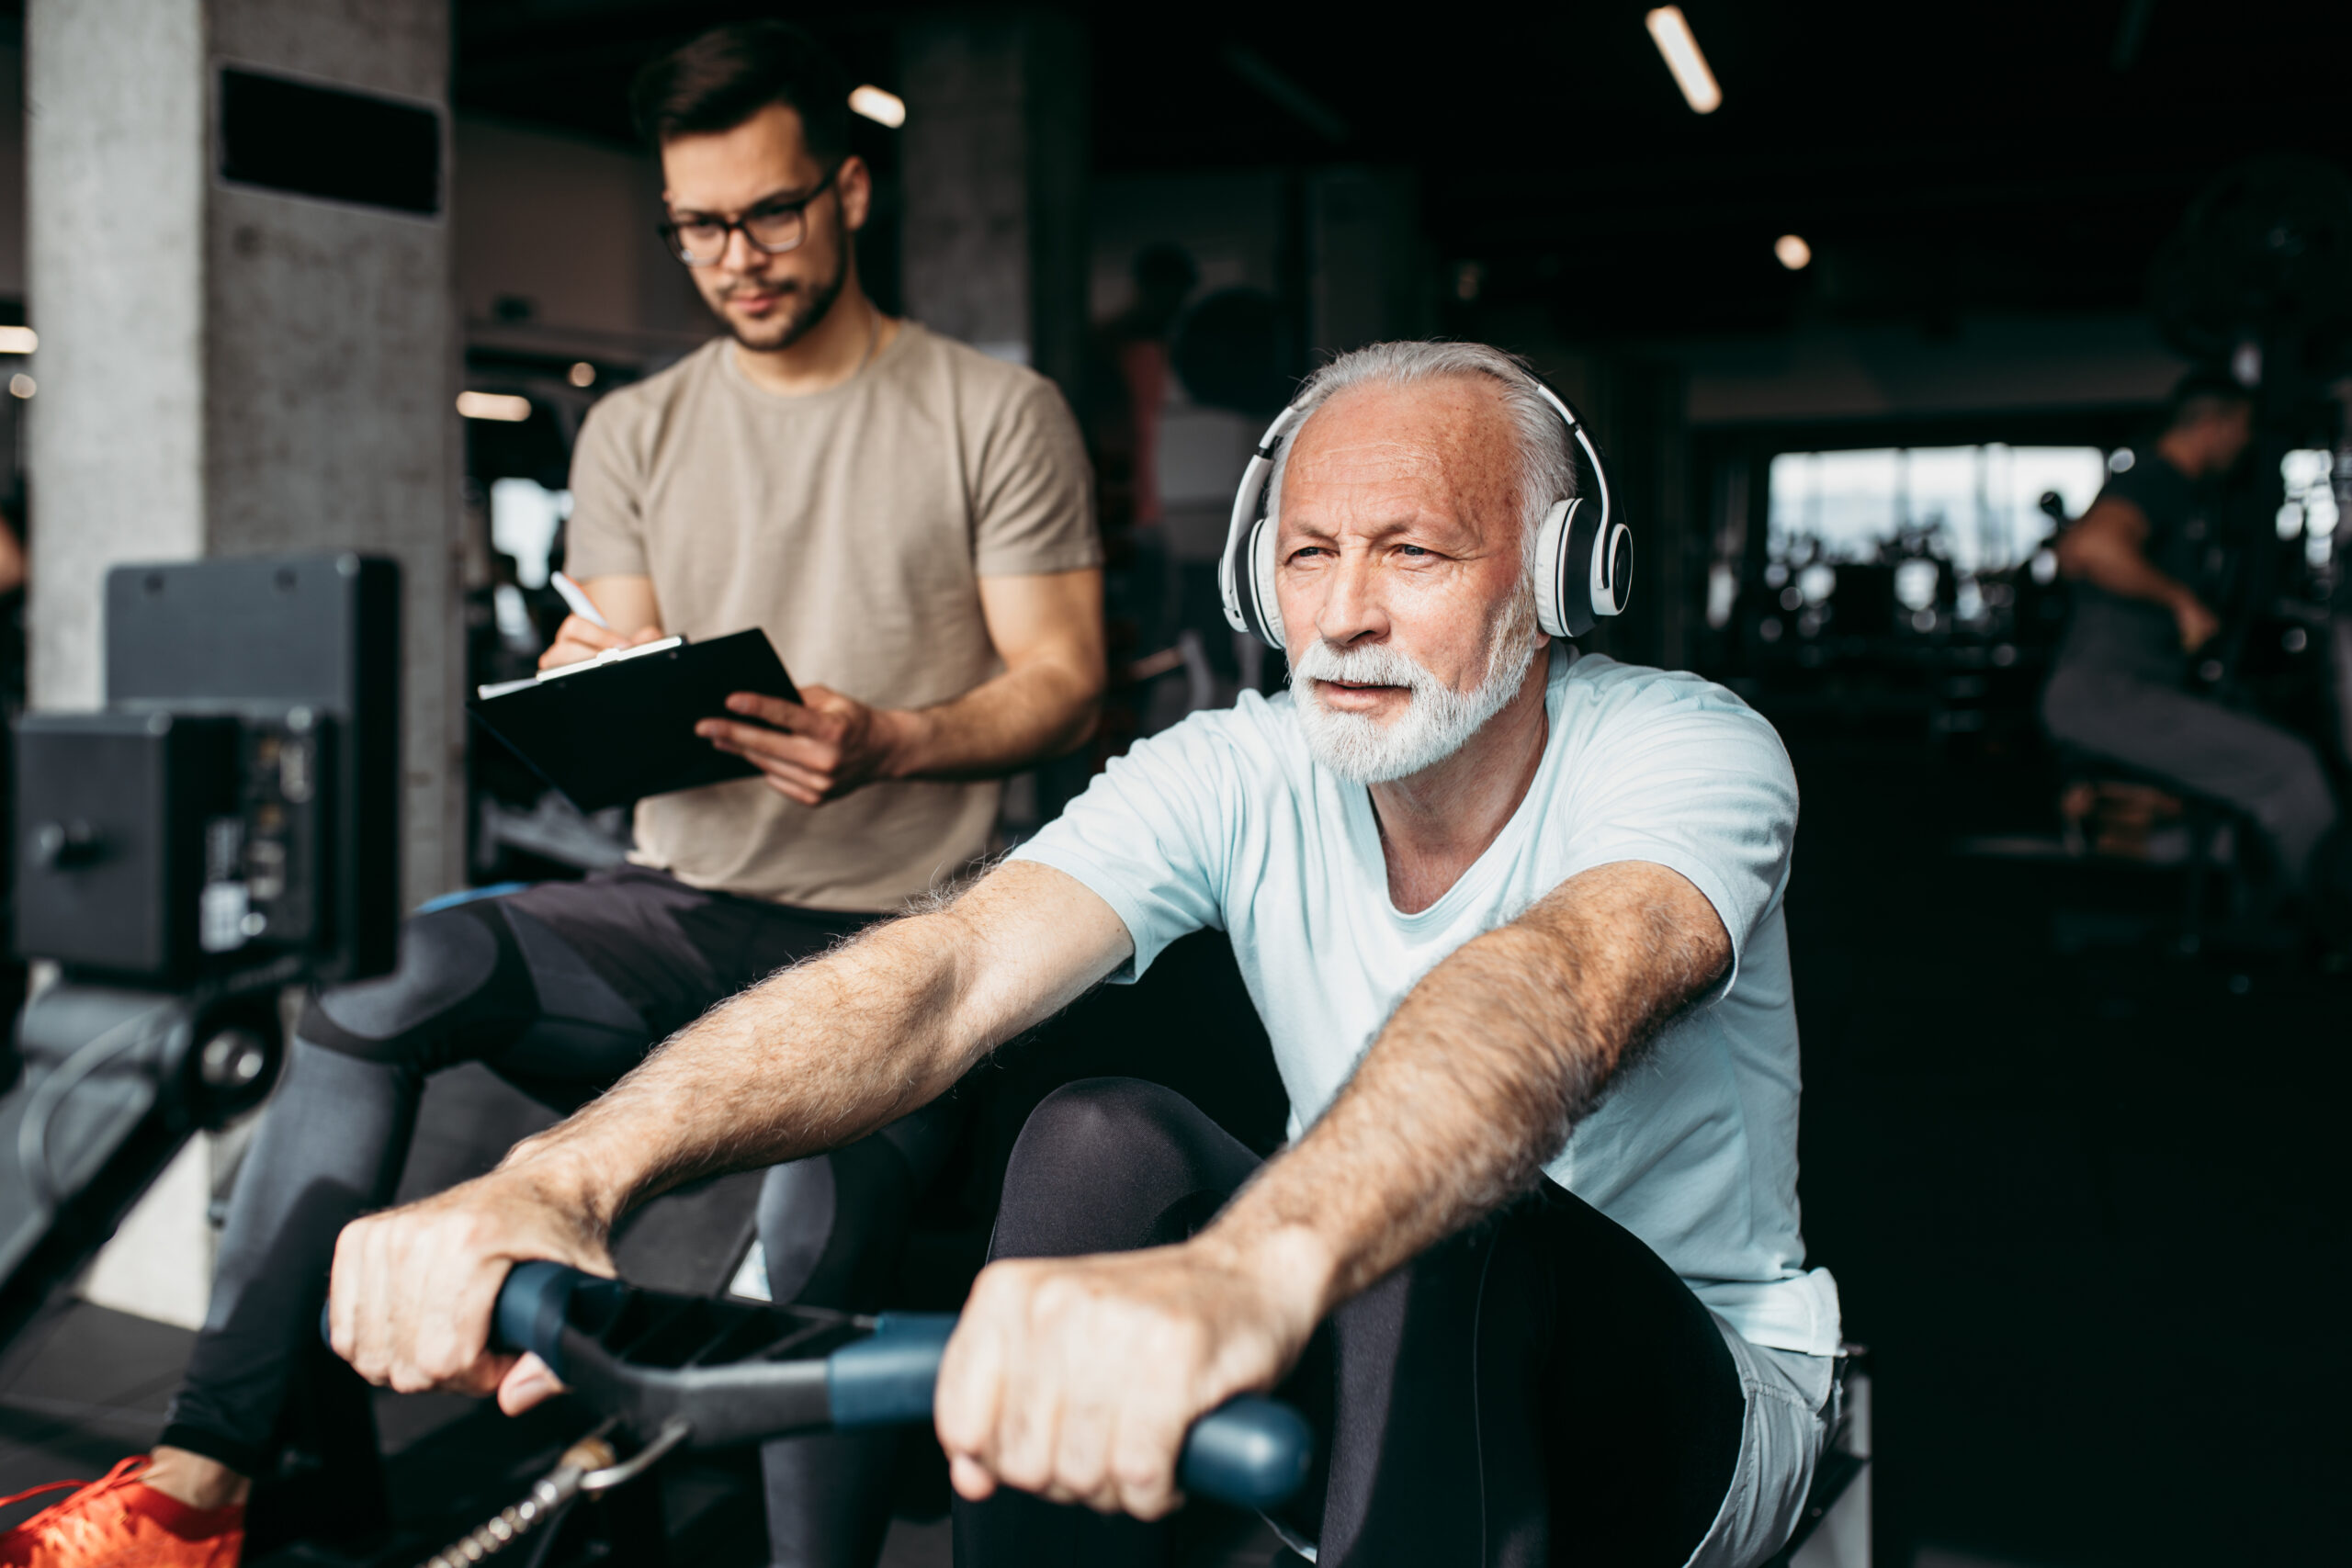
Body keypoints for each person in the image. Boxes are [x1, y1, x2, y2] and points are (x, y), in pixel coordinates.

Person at [326, 342, 1842, 1568]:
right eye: (1308, 554)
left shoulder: (1687, 749)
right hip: (1368, 1369)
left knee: (1444, 1203)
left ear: (1563, 575)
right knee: (1094, 1137)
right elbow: (945, 974)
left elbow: (1558, 987)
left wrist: (1254, 1267)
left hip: (1678, 1421)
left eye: (1417, 553)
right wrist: (562, 1176)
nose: (1347, 613)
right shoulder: (1238, 764)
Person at [0, 20, 1102, 1568]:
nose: (739, 256)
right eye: (700, 226)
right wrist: (597, 674)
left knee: (811, 1214)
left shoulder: (994, 412)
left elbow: (1065, 678)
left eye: (773, 212)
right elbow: (621, 650)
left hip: (898, 940)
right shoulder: (637, 427)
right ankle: (200, 1485)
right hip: (679, 912)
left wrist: (892, 740)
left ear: (850, 190)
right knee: (380, 979)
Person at [2041, 370, 2346, 916]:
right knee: (2290, 769)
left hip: (2131, 690)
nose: (2248, 444)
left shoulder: (2190, 496)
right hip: (2104, 694)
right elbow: (2089, 548)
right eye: (2244, 429)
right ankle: (2330, 919)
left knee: (2266, 760)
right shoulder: (2157, 479)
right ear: (2214, 424)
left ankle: (2268, 906)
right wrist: (2179, 599)